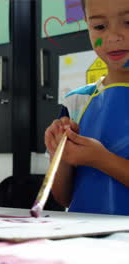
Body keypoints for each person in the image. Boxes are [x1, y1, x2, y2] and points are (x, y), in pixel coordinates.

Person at [45, 0, 129, 215]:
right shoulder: (76, 102)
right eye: (100, 27)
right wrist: (60, 157)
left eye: (128, 22)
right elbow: (63, 197)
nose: (113, 37)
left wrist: (102, 159)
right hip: (86, 241)